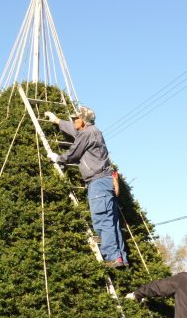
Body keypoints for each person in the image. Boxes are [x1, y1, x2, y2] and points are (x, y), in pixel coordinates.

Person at [44, 107, 128, 268]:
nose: (74, 120)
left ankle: (113, 257)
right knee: (112, 221)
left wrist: (59, 158)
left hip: (97, 182)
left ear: (82, 121)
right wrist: (57, 121)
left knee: (102, 221)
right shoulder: (92, 131)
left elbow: (74, 153)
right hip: (105, 181)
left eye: (76, 118)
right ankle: (121, 257)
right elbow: (76, 132)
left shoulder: (87, 133)